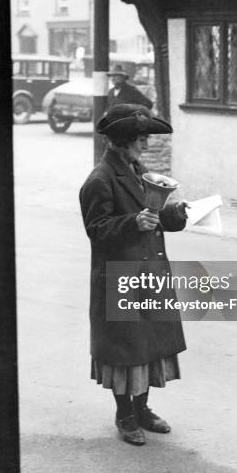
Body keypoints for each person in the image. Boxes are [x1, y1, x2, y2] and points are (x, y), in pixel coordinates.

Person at [79, 103, 188, 446]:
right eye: (141, 138)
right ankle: (125, 415)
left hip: (148, 273)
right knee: (126, 351)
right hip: (121, 277)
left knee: (149, 346)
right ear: (123, 139)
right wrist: (132, 222)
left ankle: (142, 409)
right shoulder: (99, 180)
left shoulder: (135, 168)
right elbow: (97, 230)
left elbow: (150, 214)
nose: (146, 144)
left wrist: (176, 213)